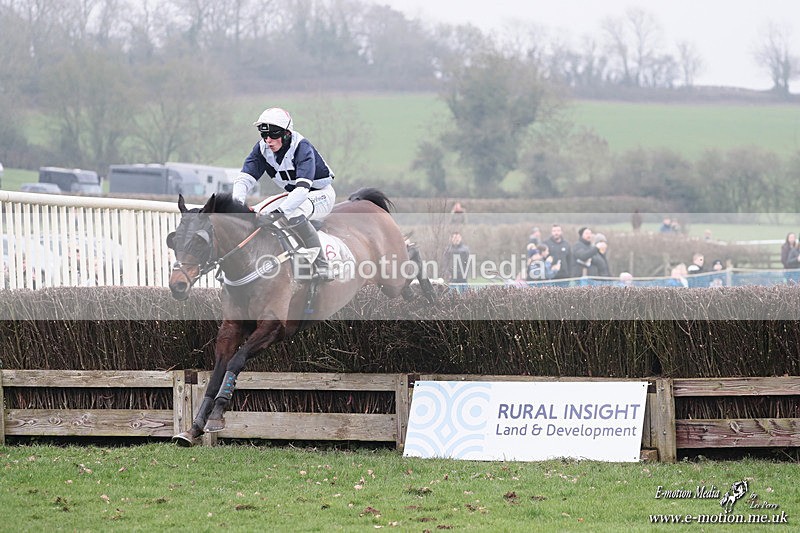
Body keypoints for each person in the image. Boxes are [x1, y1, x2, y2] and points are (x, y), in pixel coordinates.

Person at [232, 107, 336, 281]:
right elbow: (243, 180)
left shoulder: (302, 148)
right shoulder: (261, 149)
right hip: (294, 195)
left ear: (287, 133)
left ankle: (322, 265)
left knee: (291, 212)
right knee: (256, 212)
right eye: (264, 136)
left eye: (273, 135)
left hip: (320, 195)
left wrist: (276, 214)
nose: (268, 141)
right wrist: (237, 205)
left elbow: (302, 190)